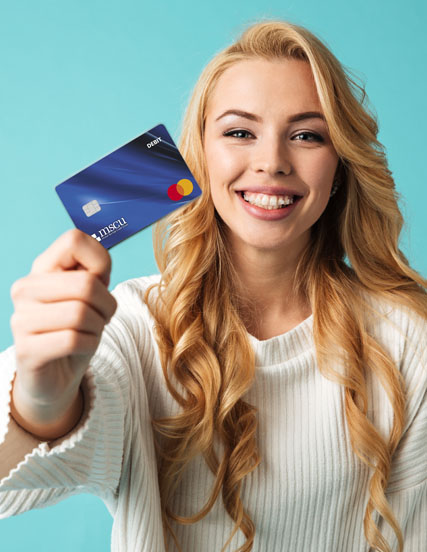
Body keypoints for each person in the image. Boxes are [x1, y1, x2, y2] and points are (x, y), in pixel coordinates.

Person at [0, 19, 425, 552]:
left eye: (307, 135)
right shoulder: (133, 324)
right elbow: (14, 479)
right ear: (198, 154)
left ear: (338, 164)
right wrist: (41, 396)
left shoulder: (406, 340)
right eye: (240, 132)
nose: (271, 161)